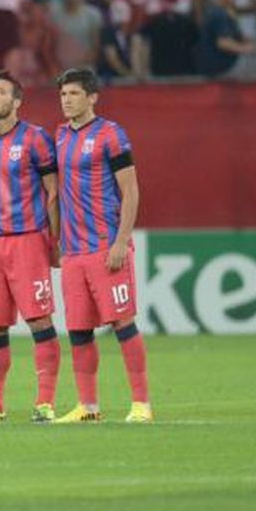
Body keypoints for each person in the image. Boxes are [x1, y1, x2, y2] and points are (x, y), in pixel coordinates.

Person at [53, 68, 152, 423]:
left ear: (93, 97)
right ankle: (87, 405)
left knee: (122, 323)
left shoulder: (111, 135)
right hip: (73, 252)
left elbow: (131, 190)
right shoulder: (60, 135)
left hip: (105, 246)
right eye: (64, 94)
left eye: (75, 94)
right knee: (78, 330)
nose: (67, 100)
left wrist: (121, 241)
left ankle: (141, 403)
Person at [0, 71, 63, 423]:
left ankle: (45, 403)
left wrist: (55, 241)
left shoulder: (36, 139)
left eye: (0, 92)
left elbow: (53, 192)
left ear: (16, 102)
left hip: (28, 239)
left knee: (39, 319)